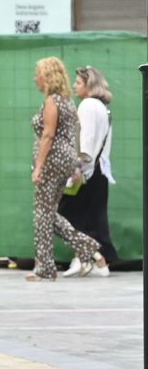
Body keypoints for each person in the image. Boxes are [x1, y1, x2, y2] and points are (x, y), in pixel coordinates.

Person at [26, 56, 100, 282]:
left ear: (47, 77)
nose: (35, 79)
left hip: (52, 161)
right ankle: (87, 247)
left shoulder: (52, 102)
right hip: (65, 161)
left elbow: (48, 135)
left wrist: (38, 167)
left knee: (42, 214)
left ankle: (46, 267)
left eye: (38, 74)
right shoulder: (67, 101)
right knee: (47, 214)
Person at [58, 64, 116, 277]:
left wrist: (78, 168)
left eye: (79, 82)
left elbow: (87, 141)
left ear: (89, 84)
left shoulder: (87, 105)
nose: (74, 85)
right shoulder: (101, 107)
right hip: (99, 168)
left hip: (88, 169)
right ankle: (87, 259)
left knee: (66, 214)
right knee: (91, 217)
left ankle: (89, 258)